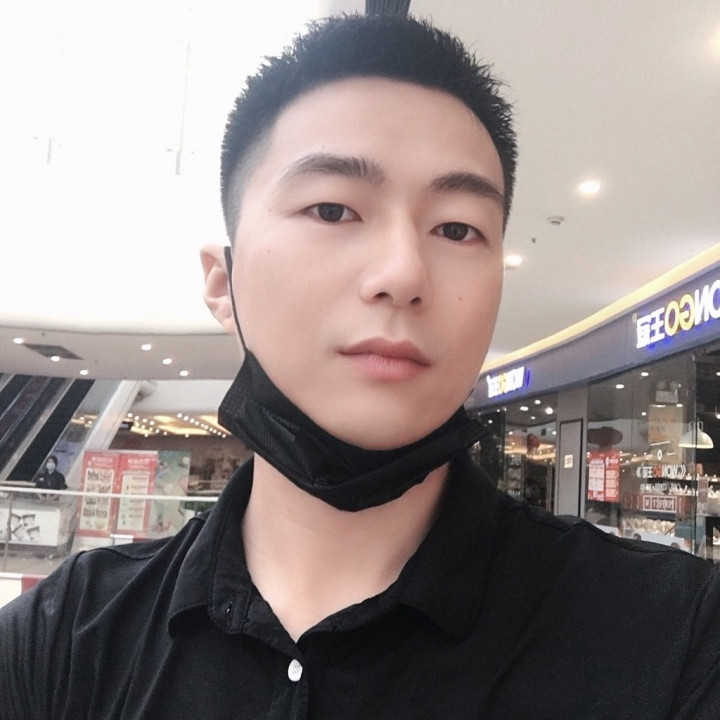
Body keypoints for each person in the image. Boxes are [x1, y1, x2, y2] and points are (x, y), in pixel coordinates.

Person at [2, 12, 720, 719]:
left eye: (457, 228)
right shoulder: (62, 639)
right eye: (332, 210)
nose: (402, 273)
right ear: (223, 282)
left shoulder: (674, 637)